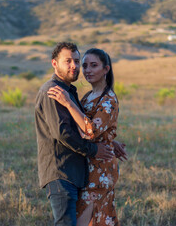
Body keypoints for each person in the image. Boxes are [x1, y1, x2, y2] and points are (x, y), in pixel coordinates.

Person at [34, 42, 117, 226]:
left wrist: (111, 142)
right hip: (61, 170)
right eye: (68, 61)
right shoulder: (54, 92)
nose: (76, 66)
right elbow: (64, 134)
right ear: (54, 63)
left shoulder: (71, 92)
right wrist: (94, 150)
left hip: (76, 172)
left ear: (106, 69)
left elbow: (90, 126)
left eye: (77, 61)